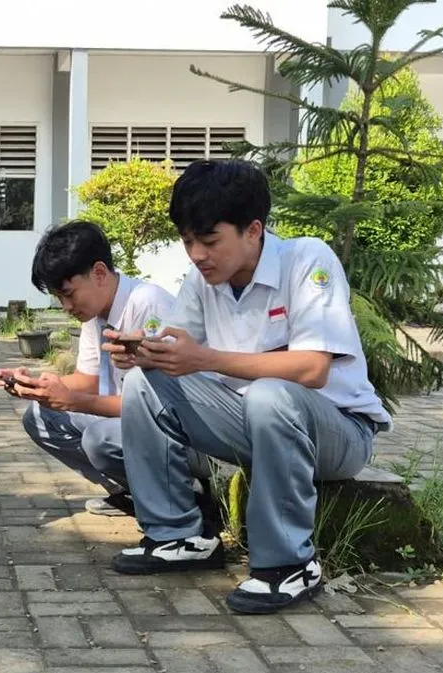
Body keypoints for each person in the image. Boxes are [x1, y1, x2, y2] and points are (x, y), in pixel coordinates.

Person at [102, 159, 390, 615]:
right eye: (188, 241)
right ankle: (179, 535)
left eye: (210, 240)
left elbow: (314, 369)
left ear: (253, 230)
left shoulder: (307, 259)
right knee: (145, 382)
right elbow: (180, 348)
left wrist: (206, 358)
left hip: (337, 433)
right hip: (255, 423)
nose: (196, 254)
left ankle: (289, 564)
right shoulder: (202, 282)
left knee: (270, 391)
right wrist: (144, 353)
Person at [0, 221, 185, 517]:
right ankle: (134, 493)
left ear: (98, 273)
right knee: (40, 417)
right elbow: (88, 380)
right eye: (59, 298)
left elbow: (165, 408)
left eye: (69, 294)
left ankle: (178, 502)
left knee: (100, 438)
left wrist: (74, 401)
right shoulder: (95, 315)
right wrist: (36, 387)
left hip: (178, 431)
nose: (66, 306)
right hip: (133, 421)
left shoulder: (148, 305)